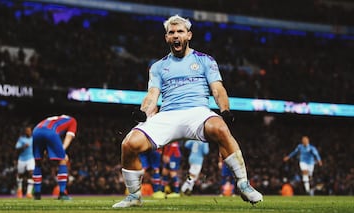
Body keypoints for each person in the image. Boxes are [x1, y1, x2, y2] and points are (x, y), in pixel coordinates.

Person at [112, 14, 263, 208]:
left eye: (180, 32)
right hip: (168, 114)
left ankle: (243, 184)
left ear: (189, 35)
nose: (176, 36)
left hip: (198, 112)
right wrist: (143, 111)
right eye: (171, 32)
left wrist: (224, 110)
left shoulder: (205, 60)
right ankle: (134, 196)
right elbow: (152, 95)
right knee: (128, 144)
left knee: (220, 128)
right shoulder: (158, 67)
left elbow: (217, 89)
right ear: (167, 38)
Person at [32, 114, 77, 200]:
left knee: (37, 162)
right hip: (50, 132)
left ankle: (37, 194)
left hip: (36, 130)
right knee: (63, 159)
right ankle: (62, 193)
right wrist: (62, 151)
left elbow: (44, 132)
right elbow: (69, 137)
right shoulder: (72, 120)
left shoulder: (52, 119)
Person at [15, 126, 34, 198]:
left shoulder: (34, 139)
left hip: (31, 158)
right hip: (22, 159)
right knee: (20, 175)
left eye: (29, 131)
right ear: (25, 132)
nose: (28, 132)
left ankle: (29, 193)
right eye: (27, 131)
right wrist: (23, 146)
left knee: (31, 173)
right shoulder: (21, 139)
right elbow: (17, 148)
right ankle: (19, 190)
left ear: (31, 131)